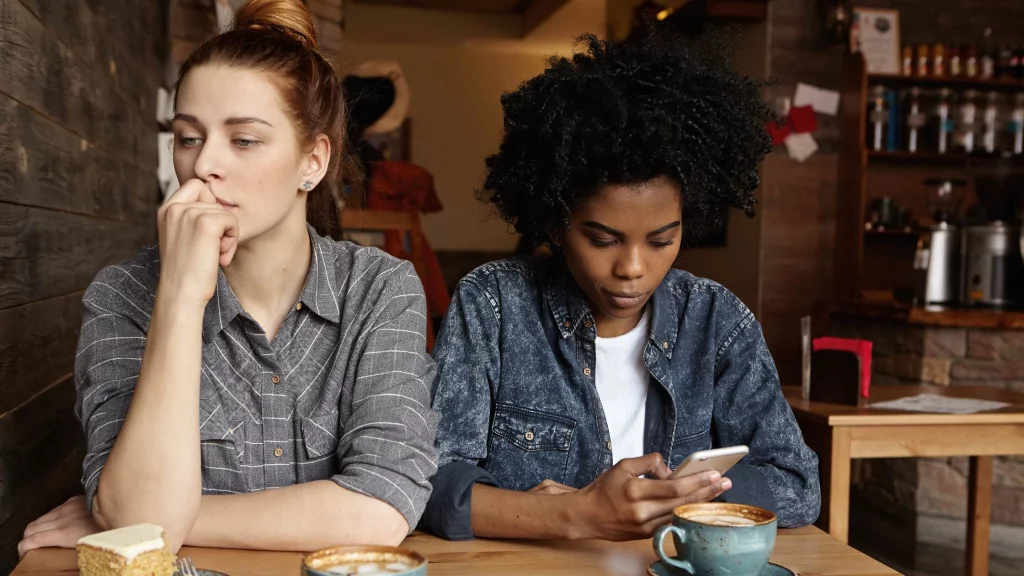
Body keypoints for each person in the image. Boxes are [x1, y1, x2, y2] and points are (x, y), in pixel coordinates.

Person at [18, 0, 437, 556]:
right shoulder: (122, 294)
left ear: (312, 161)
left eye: (243, 140)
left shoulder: (381, 290)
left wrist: (150, 521)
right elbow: (143, 520)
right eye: (189, 137)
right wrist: (180, 296)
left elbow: (383, 510)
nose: (205, 163)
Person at [421, 29, 821, 541]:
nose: (632, 268)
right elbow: (428, 480)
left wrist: (679, 498)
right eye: (603, 239)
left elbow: (796, 482)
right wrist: (575, 515)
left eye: (660, 241)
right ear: (555, 223)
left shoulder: (716, 321)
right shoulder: (493, 306)